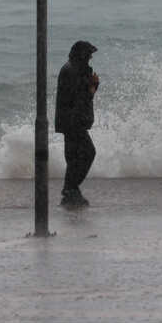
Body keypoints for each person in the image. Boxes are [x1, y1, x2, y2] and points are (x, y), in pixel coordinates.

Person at [54, 40, 100, 207]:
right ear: (82, 55)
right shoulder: (73, 71)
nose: (90, 59)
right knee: (88, 153)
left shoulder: (71, 68)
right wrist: (93, 86)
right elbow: (82, 98)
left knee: (74, 158)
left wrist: (91, 85)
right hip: (74, 122)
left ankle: (70, 191)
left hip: (69, 122)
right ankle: (70, 189)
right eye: (88, 56)